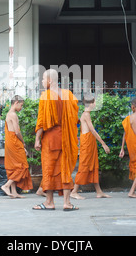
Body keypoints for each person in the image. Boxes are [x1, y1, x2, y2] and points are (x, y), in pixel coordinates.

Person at [32, 69, 79, 211]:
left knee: (49, 170)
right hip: (65, 138)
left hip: (51, 139)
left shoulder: (45, 96)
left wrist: (37, 139)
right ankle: (67, 203)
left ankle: (49, 202)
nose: (41, 81)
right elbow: (75, 118)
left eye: (43, 78)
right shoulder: (68, 95)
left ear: (50, 80)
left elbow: (41, 121)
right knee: (65, 170)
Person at [70, 95, 111, 200]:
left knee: (93, 165)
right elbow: (92, 130)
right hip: (87, 143)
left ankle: (99, 191)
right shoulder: (86, 115)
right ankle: (74, 191)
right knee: (84, 166)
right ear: (91, 103)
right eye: (95, 102)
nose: (96, 104)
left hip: (90, 142)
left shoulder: (86, 114)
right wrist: (103, 143)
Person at [2, 95, 33, 198]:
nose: (21, 108)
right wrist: (23, 142)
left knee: (14, 167)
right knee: (23, 166)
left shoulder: (8, 114)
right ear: (16, 103)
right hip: (14, 142)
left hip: (10, 142)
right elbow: (17, 131)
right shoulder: (13, 115)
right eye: (21, 105)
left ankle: (14, 192)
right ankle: (6, 186)